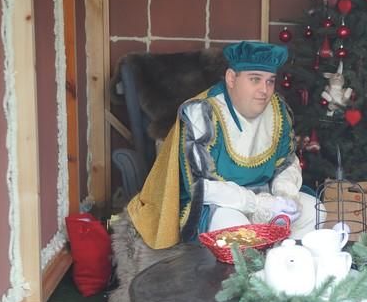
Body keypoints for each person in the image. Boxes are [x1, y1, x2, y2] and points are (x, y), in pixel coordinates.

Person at [125, 41, 318, 249]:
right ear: (231, 78)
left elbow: (286, 162)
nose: (265, 90)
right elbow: (201, 186)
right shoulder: (203, 114)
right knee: (235, 228)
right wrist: (258, 204)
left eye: (270, 81)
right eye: (255, 79)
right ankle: (246, 279)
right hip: (219, 205)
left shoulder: (277, 109)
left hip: (268, 195)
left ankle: (286, 267)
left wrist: (284, 195)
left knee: (314, 210)